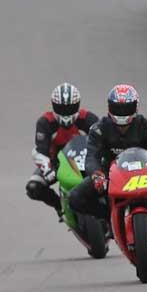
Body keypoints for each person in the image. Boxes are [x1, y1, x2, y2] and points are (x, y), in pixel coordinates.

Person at [69, 84, 147, 235]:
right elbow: (91, 156)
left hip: (145, 169)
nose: (122, 113)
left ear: (135, 107)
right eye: (117, 108)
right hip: (109, 173)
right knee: (75, 197)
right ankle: (108, 216)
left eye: (126, 108)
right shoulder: (98, 129)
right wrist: (97, 174)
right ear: (110, 107)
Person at [26, 83, 98, 220]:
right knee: (33, 187)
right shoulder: (45, 122)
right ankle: (60, 206)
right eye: (61, 108)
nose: (66, 113)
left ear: (77, 105)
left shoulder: (88, 119)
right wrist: (48, 170)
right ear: (53, 105)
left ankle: (108, 213)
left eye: (70, 108)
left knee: (106, 181)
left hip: (85, 161)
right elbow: (40, 151)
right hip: (56, 164)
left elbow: (101, 143)